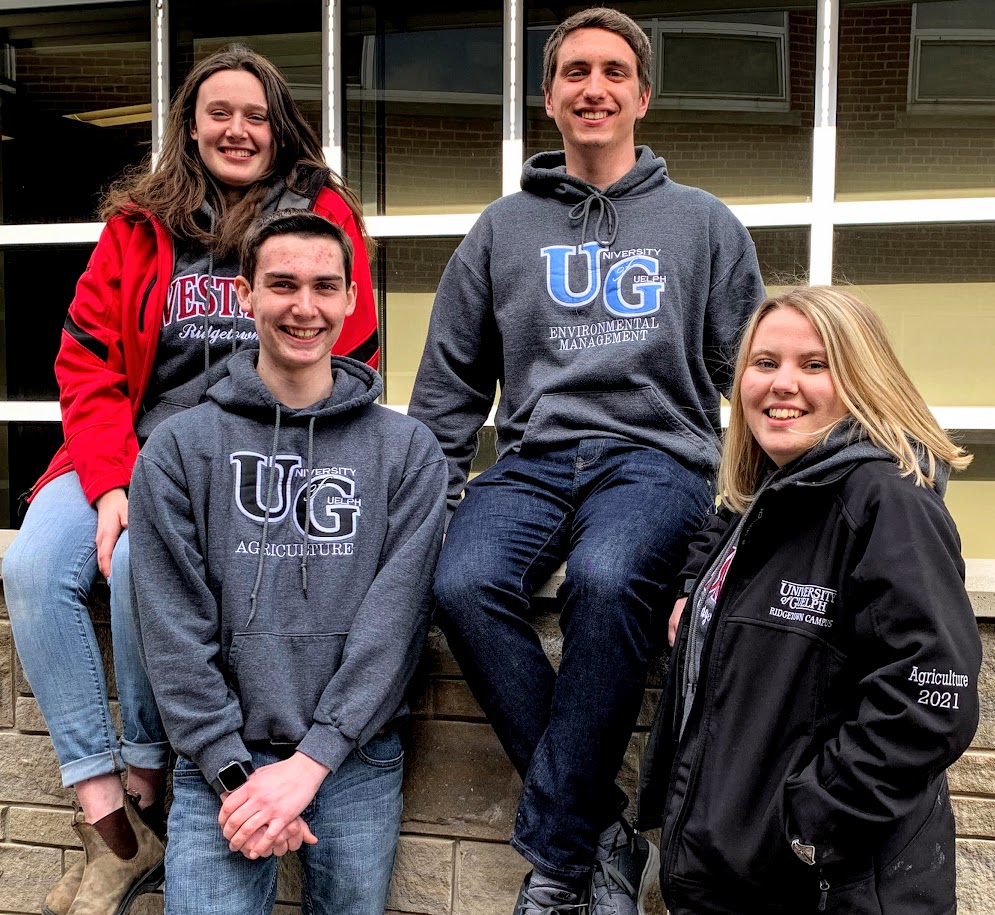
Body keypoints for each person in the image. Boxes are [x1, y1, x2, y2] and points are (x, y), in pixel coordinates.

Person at [1, 45, 378, 915]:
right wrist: (110, 483)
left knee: (144, 558)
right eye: (219, 114)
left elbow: (347, 350)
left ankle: (145, 771)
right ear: (191, 125)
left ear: (279, 128)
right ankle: (109, 815)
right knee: (32, 567)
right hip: (122, 448)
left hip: (241, 458)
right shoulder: (138, 225)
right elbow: (86, 362)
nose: (237, 130)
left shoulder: (319, 216)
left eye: (255, 116)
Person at [407, 8, 765, 915]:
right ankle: (599, 827)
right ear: (549, 98)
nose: (593, 88)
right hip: (532, 458)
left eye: (612, 72)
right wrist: (435, 503)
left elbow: (758, 377)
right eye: (575, 72)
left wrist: (754, 508)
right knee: (461, 581)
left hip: (656, 459)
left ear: (641, 97)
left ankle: (560, 864)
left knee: (606, 578)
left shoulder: (703, 223)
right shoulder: (500, 229)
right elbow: (448, 388)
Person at [127, 209, 446, 915]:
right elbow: (173, 631)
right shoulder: (179, 449)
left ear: (351, 298)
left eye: (324, 286)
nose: (305, 307)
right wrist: (235, 774)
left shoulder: (405, 452)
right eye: (282, 284)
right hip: (221, 763)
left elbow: (394, 624)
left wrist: (312, 761)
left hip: (356, 758)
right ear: (245, 295)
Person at [637, 286, 982, 914]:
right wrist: (694, 588)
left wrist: (807, 827)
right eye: (765, 363)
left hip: (827, 889)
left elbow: (928, 703)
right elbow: (723, 520)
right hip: (730, 880)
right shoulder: (771, 496)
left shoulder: (886, 503)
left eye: (814, 364)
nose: (782, 383)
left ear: (862, 380)